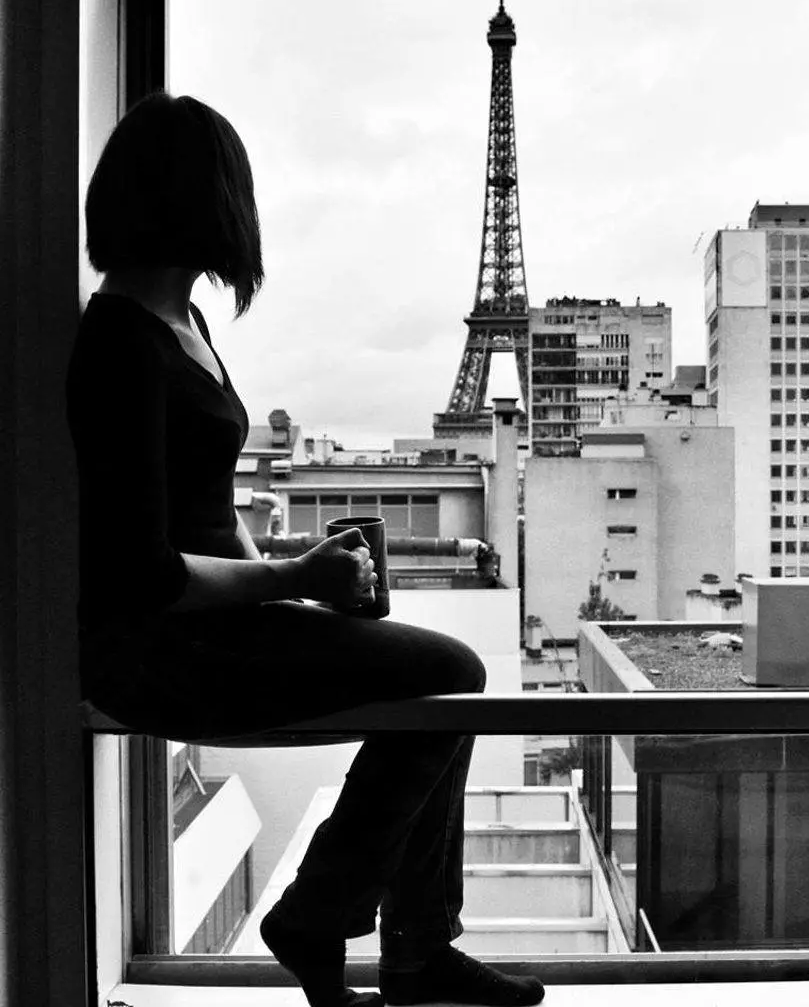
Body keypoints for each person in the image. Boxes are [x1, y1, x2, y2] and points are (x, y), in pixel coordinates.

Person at [67, 92, 545, 1007]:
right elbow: (138, 567)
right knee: (449, 674)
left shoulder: (184, 327)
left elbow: (204, 511)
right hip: (157, 647)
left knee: (445, 676)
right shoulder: (119, 345)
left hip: (215, 622)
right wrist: (290, 578)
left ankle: (393, 940)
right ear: (207, 203)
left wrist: (291, 573)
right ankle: (343, 922)